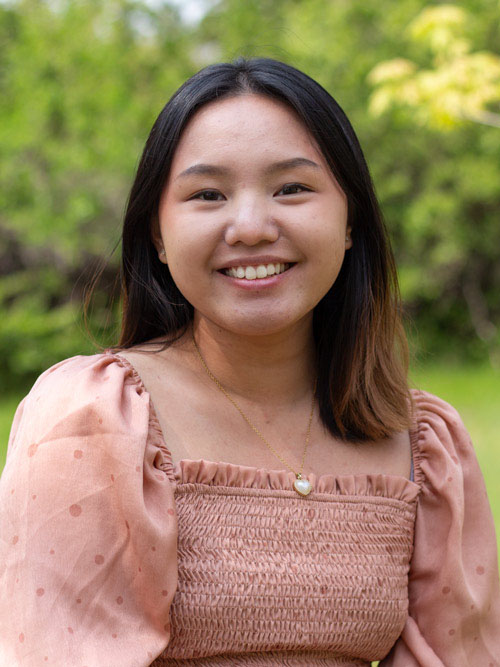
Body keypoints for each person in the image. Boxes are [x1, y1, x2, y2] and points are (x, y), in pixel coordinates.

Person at [0, 57, 499, 667]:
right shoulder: (94, 417)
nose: (252, 227)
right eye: (208, 194)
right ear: (158, 233)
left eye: (292, 188)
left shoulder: (425, 447)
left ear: (350, 222)